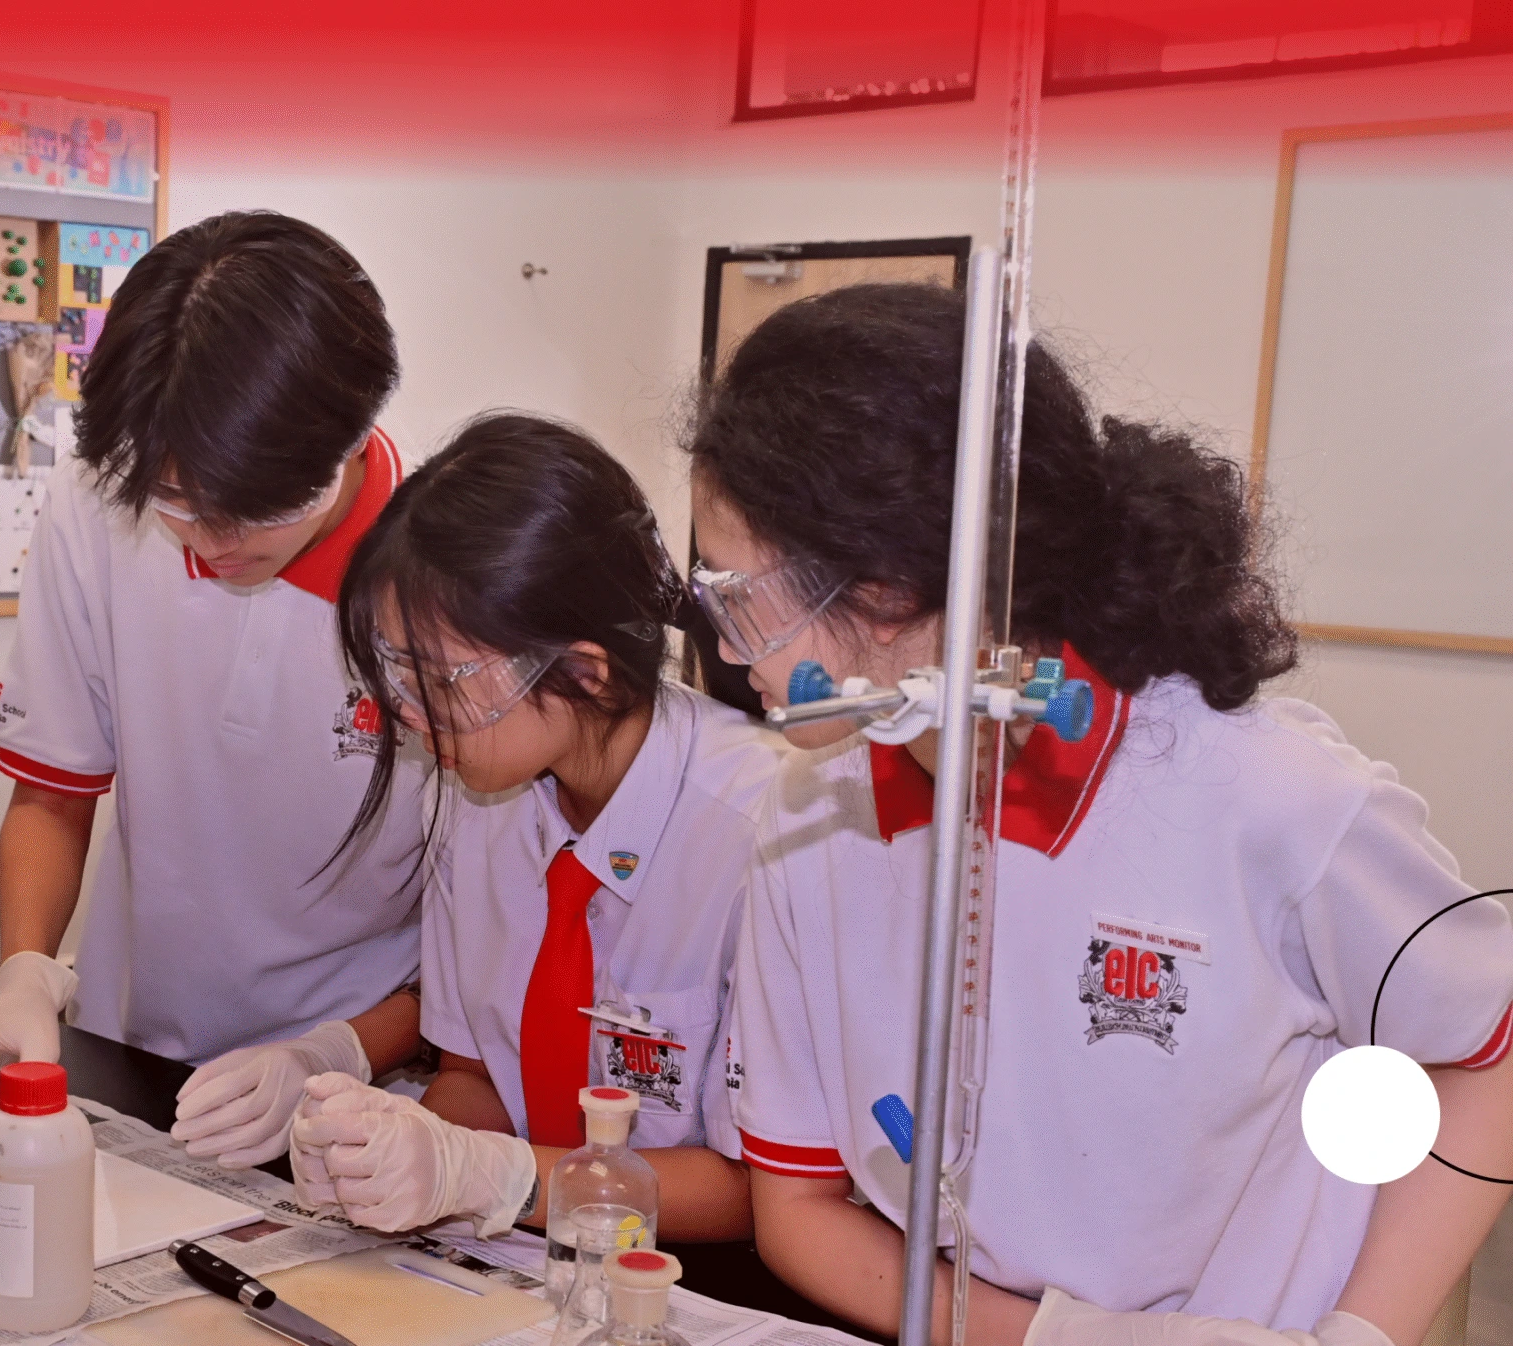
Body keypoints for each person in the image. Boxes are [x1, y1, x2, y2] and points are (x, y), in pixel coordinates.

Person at [701, 283, 1513, 1346]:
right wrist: (1050, 1336)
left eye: (741, 598)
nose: (722, 649)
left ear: (894, 586)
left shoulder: (1271, 799)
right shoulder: (808, 820)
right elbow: (799, 1209)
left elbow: (1485, 1054)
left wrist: (1357, 1337)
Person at [0, 212, 432, 1149]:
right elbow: (53, 786)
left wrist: (334, 1054)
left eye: (257, 509)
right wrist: (24, 974)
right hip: (140, 1061)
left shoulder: (443, 569)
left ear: (355, 433)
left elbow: (491, 934)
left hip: (363, 1102)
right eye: (179, 504)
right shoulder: (99, 499)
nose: (214, 541)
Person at [284, 414, 775, 1243]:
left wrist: (498, 1178)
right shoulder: (484, 797)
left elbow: (757, 1191)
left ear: (584, 670)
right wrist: (406, 1155)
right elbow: (476, 1072)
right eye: (395, 669)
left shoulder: (761, 832)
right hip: (521, 1257)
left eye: (438, 678)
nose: (406, 713)